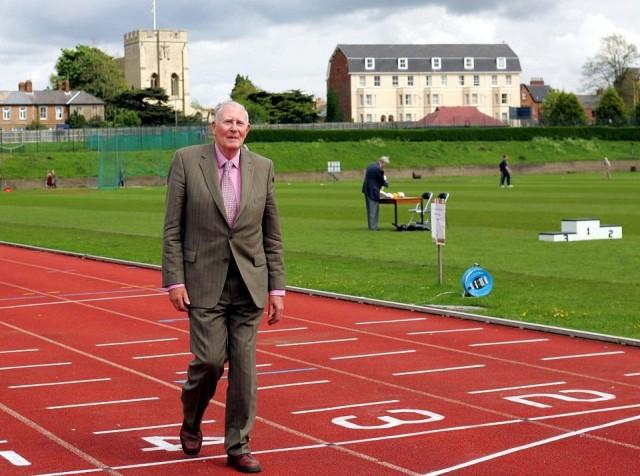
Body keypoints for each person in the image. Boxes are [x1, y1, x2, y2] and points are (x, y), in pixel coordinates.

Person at [162, 100, 285, 474]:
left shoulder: (263, 168)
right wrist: (175, 279)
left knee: (245, 371)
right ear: (213, 127)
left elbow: (272, 233)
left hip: (250, 283)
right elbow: (172, 229)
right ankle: (192, 418)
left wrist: (277, 288)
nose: (234, 128)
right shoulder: (186, 161)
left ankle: (238, 445)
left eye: (240, 123)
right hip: (203, 282)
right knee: (210, 361)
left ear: (247, 130)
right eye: (227, 122)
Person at [361, 156, 390, 230]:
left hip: (366, 189)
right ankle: (374, 227)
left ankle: (371, 226)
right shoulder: (378, 169)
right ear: (382, 162)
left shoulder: (371, 165)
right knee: (374, 209)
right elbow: (381, 181)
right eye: (385, 164)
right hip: (373, 191)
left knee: (369, 209)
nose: (385, 166)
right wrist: (386, 183)